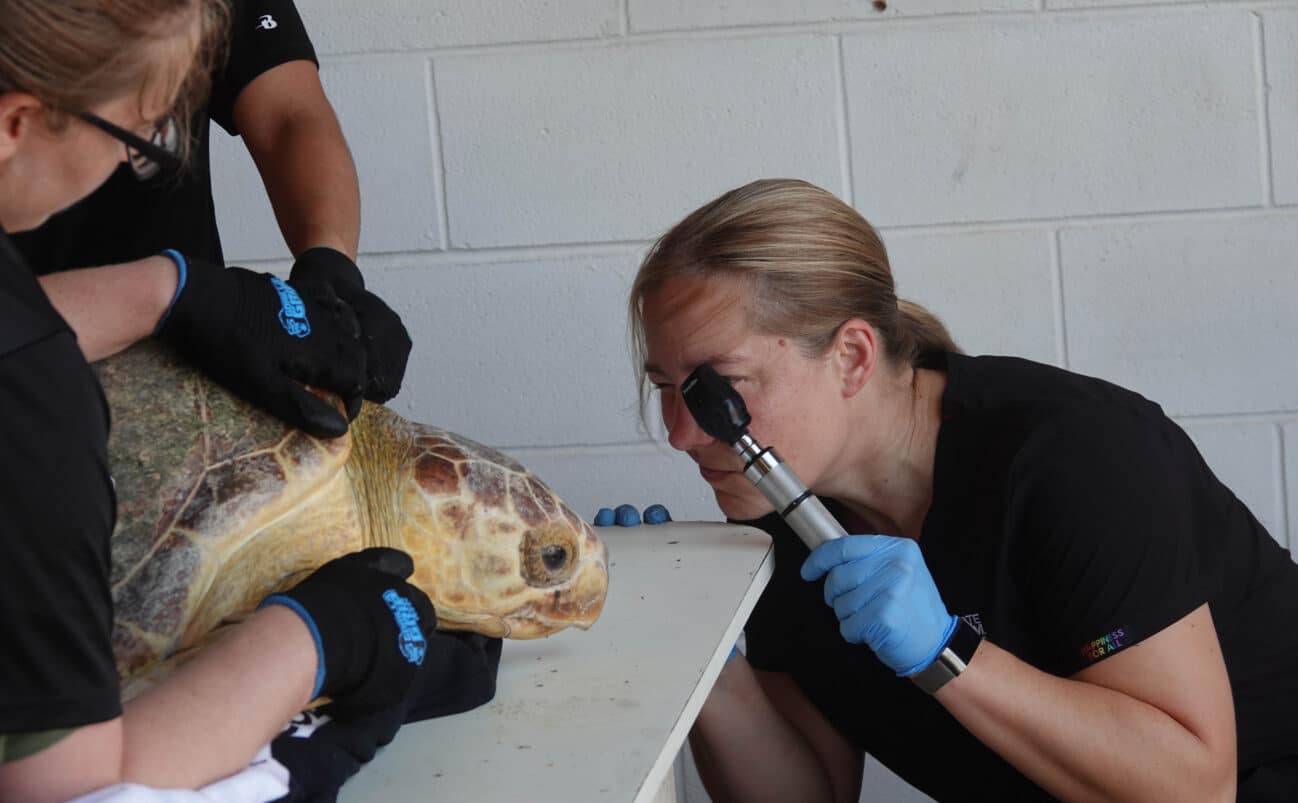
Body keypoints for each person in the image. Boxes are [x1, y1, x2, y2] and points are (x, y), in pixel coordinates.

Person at [629, 178, 1298, 802]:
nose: (683, 434)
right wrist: (703, 664)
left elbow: (1195, 787)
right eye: (665, 388)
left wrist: (946, 652)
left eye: (719, 389)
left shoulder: (1075, 457)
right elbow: (809, 792)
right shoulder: (787, 514)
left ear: (853, 357)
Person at [0, 2, 440, 800]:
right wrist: (318, 647)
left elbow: (289, 110)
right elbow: (75, 791)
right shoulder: (33, 411)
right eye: (148, 139)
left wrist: (323, 266)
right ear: (18, 122)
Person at [14, 0, 410, 438]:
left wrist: (330, 265)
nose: (142, 148)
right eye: (141, 133)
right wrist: (170, 294)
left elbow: (288, 113)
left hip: (176, 355)